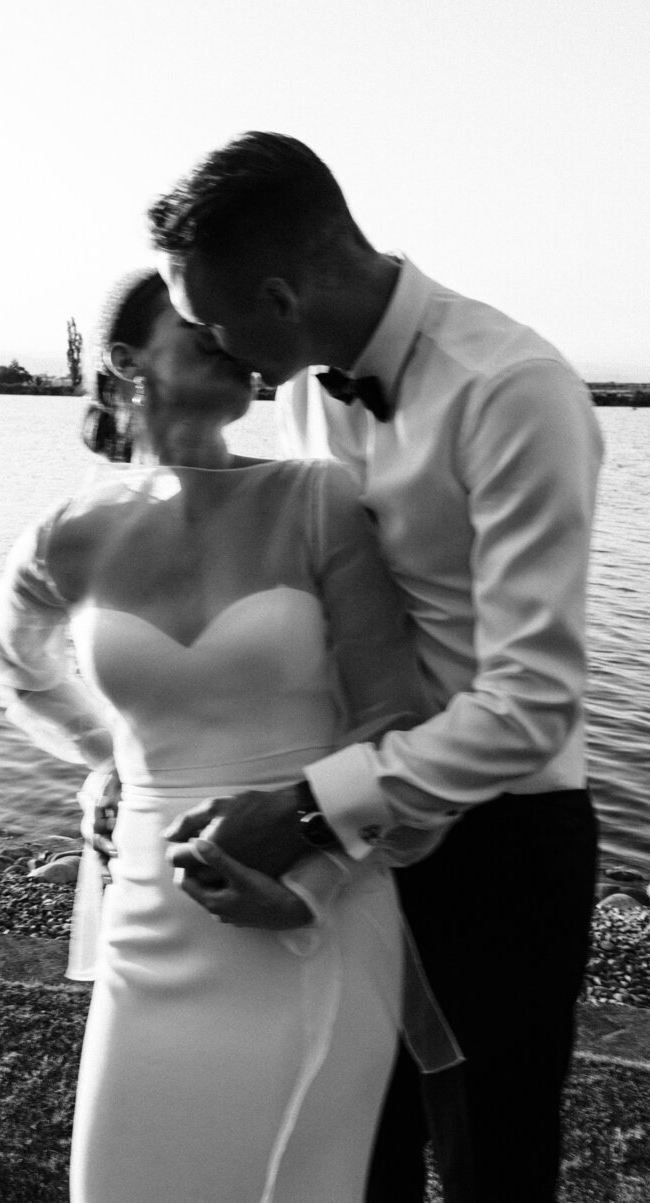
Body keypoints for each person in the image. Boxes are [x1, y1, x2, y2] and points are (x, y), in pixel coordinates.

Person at [149, 131, 605, 1203]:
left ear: (277, 295)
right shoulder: (308, 391)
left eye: (212, 324)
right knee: (356, 1141)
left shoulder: (512, 389)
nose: (217, 353)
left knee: (490, 1156)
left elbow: (531, 704)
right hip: (352, 832)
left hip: (502, 843)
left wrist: (307, 809)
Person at [0, 269, 457, 1203]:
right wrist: (107, 760)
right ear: (124, 363)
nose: (233, 344)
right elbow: (18, 673)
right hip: (152, 905)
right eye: (200, 331)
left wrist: (309, 882)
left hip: (319, 898)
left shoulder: (319, 500)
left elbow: (392, 718)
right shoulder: (66, 533)